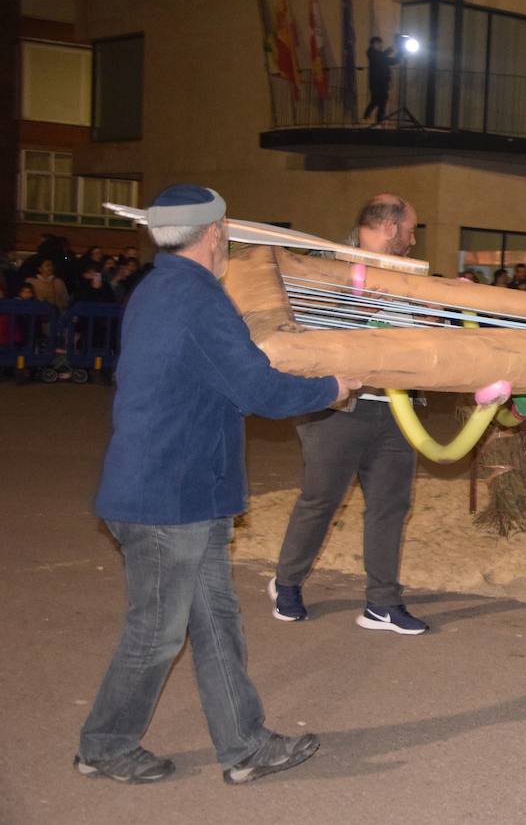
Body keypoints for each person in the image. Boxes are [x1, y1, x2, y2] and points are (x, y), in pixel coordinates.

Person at [76, 185, 354, 785]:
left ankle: (245, 745)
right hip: (165, 498)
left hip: (186, 490)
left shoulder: (158, 290)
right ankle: (104, 745)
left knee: (215, 621)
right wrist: (330, 389)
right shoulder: (196, 300)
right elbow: (257, 389)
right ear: (215, 232)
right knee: (156, 633)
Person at [272, 194, 430, 634]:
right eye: (412, 230)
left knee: (390, 507)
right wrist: (362, 308)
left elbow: (417, 332)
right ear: (390, 228)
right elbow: (301, 325)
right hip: (335, 406)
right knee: (321, 500)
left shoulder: (411, 276)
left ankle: (382, 602)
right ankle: (287, 582)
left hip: (397, 407)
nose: (414, 241)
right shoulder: (323, 262)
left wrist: (439, 313)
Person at [363, 37, 398, 123]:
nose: (380, 45)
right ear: (373, 44)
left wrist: (401, 52)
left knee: (383, 102)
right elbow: (379, 58)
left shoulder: (381, 56)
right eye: (378, 43)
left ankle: (379, 120)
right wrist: (391, 49)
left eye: (380, 43)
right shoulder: (371, 52)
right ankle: (365, 117)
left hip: (384, 82)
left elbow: (393, 61)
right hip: (376, 83)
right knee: (375, 100)